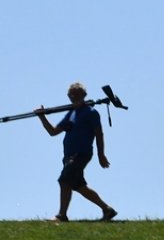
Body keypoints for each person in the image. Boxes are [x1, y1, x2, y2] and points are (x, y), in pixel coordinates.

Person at [35, 82, 117, 222]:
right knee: (78, 185)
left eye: (77, 94)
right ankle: (107, 210)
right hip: (68, 155)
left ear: (84, 95)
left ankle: (61, 215)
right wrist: (42, 117)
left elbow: (99, 134)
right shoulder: (72, 114)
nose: (74, 97)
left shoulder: (90, 112)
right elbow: (53, 132)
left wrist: (101, 155)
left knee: (64, 180)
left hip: (81, 153)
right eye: (71, 94)